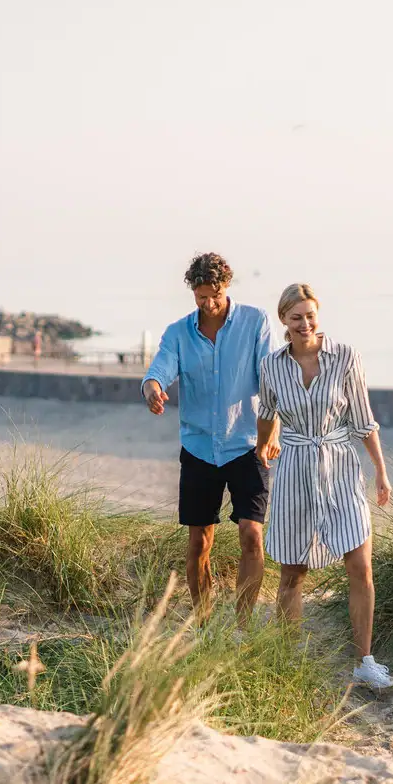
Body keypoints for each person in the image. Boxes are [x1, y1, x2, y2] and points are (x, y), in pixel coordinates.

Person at [257, 283, 393, 689]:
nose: (305, 324)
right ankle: (288, 659)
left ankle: (364, 662)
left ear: (319, 316)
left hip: (340, 467)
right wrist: (264, 444)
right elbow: (267, 412)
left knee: (361, 565)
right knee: (292, 572)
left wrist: (381, 471)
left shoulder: (345, 358)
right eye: (296, 317)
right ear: (283, 319)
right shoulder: (271, 366)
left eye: (311, 316)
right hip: (294, 469)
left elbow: (363, 420)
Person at [142, 253, 279, 624]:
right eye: (201, 296)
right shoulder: (178, 333)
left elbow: (271, 380)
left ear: (226, 287)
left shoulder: (255, 322)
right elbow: (161, 367)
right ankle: (204, 624)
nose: (209, 303)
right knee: (199, 542)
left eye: (214, 294)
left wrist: (274, 430)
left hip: (246, 445)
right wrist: (153, 387)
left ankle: (242, 625)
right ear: (193, 292)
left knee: (252, 535)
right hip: (200, 449)